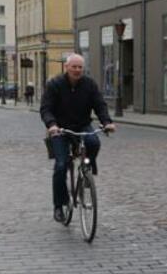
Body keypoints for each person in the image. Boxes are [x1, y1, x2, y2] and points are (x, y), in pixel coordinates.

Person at [40, 53, 116, 223]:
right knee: (61, 166)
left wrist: (107, 122)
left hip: (82, 125)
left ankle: (88, 167)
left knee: (94, 142)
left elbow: (100, 105)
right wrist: (52, 125)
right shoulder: (55, 85)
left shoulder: (89, 85)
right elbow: (46, 108)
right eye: (73, 66)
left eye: (80, 67)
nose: (77, 70)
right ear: (66, 67)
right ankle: (59, 205)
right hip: (60, 128)